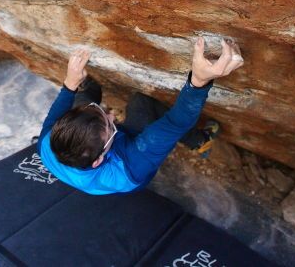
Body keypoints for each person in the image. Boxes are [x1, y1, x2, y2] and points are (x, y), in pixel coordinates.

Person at [37, 37, 243, 195]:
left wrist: (70, 82)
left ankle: (93, 114)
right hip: (127, 166)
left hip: (94, 154)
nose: (111, 115)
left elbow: (59, 111)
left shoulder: (47, 142)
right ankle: (200, 142)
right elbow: (175, 123)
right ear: (99, 160)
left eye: (99, 111)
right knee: (141, 104)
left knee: (84, 91)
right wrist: (199, 80)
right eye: (110, 126)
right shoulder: (131, 165)